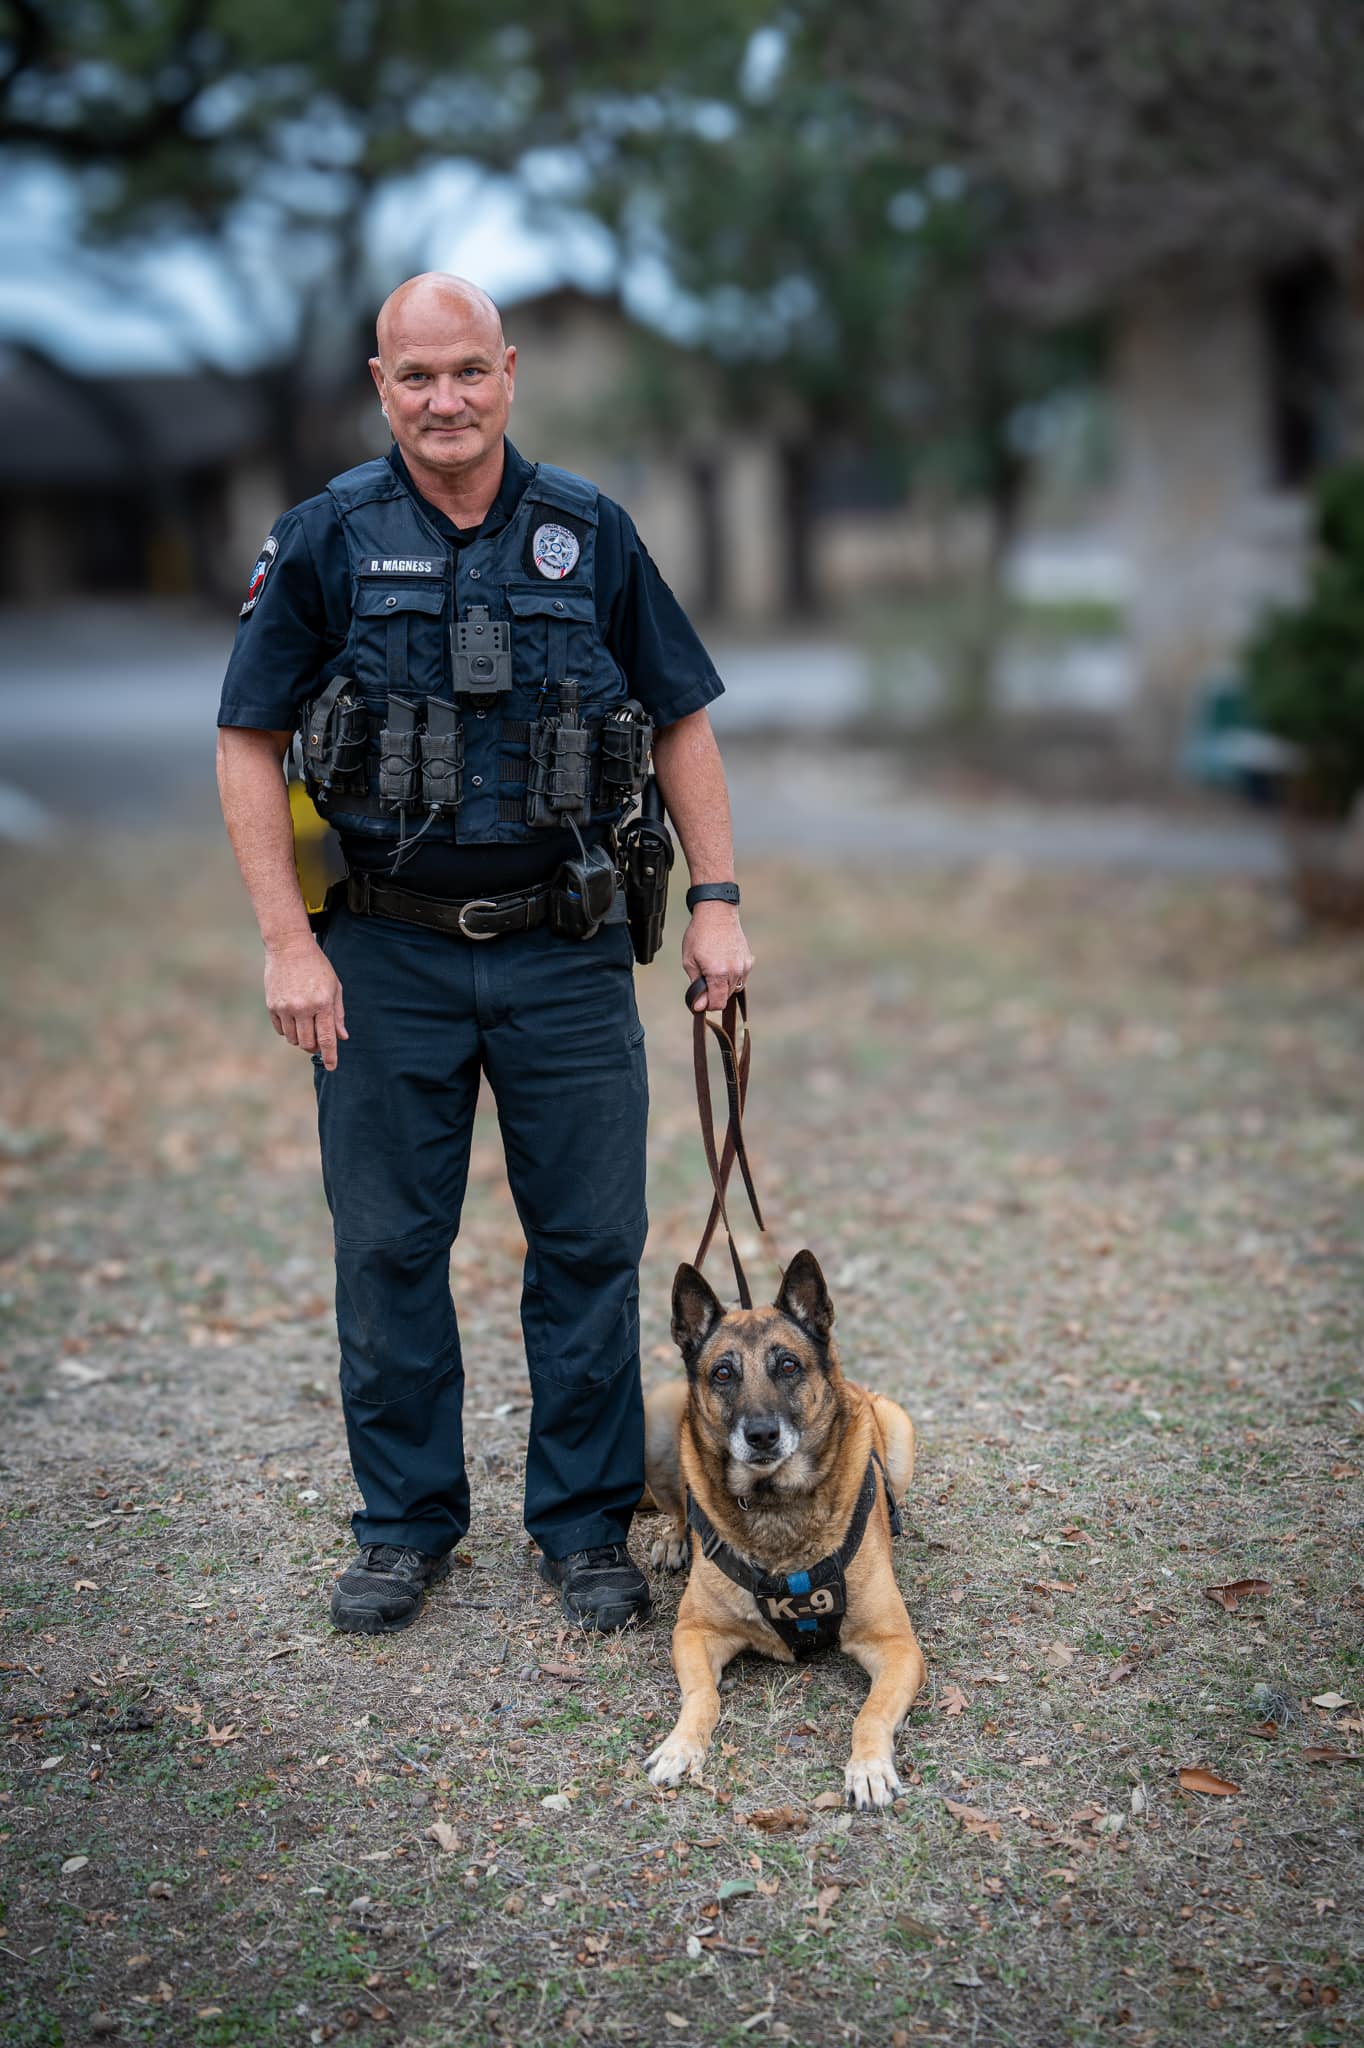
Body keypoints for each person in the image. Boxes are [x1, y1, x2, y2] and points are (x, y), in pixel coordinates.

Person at [216, 273, 752, 1638]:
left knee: (587, 1245)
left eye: (467, 372)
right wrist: (289, 942)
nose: (443, 401)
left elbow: (681, 716)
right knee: (389, 1247)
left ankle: (580, 1531)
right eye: (415, 378)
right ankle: (404, 1528)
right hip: (381, 955)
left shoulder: (591, 530)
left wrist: (718, 899)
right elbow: (247, 738)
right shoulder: (327, 536)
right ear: (379, 385)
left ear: (509, 371)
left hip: (566, 952)